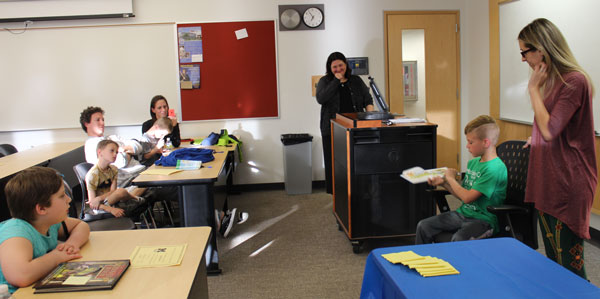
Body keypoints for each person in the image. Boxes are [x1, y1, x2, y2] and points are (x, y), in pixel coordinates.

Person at [518, 18, 597, 279]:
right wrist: (535, 140)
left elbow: (550, 130)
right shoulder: (550, 80)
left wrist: (532, 89)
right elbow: (550, 128)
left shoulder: (574, 81)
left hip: (569, 182)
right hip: (548, 178)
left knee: (571, 266)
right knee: (553, 262)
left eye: (524, 52)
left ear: (541, 48)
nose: (523, 59)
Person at [415, 115, 507, 244]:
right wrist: (445, 184)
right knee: (423, 226)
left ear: (486, 142)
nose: (467, 146)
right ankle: (421, 262)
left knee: (459, 240)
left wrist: (451, 179)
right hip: (463, 214)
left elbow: (467, 197)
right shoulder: (474, 163)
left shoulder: (494, 169)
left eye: (471, 142)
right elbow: (462, 194)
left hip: (484, 221)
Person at [0, 167, 90, 294]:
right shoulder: (16, 232)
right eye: (61, 196)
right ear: (42, 209)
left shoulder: (48, 221)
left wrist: (71, 244)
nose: (68, 199)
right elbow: (20, 275)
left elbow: (81, 226)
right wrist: (56, 257)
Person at [316, 52, 374, 194]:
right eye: (334, 67)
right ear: (330, 68)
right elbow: (321, 98)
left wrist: (369, 116)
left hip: (355, 128)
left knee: (356, 161)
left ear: (345, 65)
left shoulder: (356, 80)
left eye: (340, 65)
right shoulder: (324, 81)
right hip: (332, 130)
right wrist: (336, 81)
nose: (338, 69)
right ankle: (337, 196)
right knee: (334, 164)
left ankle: (356, 193)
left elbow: (368, 99)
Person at [85, 140, 146, 218]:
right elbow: (93, 203)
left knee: (142, 184)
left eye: (116, 152)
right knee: (121, 191)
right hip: (101, 206)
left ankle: (132, 198)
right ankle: (135, 199)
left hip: (112, 198)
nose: (115, 154)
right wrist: (110, 209)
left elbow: (113, 191)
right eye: (112, 151)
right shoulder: (92, 175)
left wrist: (99, 198)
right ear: (100, 152)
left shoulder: (113, 169)